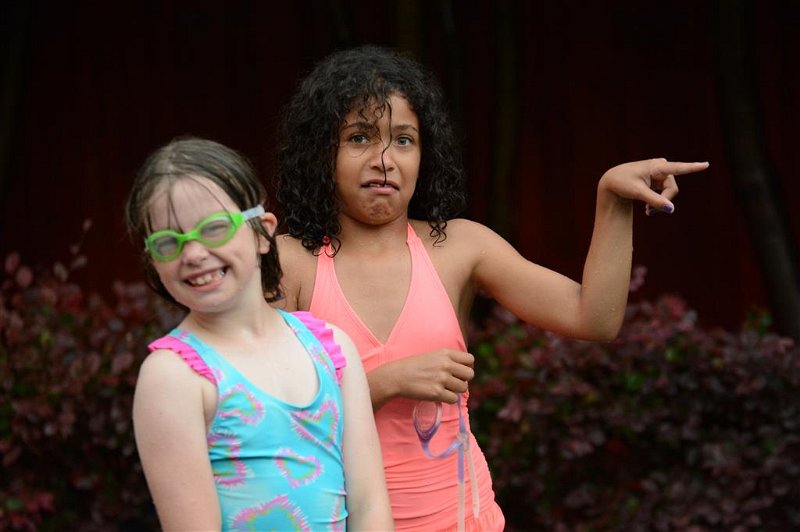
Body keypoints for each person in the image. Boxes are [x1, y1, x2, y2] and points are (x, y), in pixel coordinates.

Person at [272, 45, 709, 531]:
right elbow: (262, 420)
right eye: (359, 137)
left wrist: (612, 200)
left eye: (404, 140)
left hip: (463, 519)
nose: (384, 160)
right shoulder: (289, 263)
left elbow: (595, 318)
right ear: (322, 152)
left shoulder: (459, 247)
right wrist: (385, 383)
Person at [125, 137, 393, 531]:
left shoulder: (331, 348)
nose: (194, 253)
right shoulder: (174, 375)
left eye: (215, 228)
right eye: (169, 243)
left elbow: (369, 505)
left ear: (262, 233)